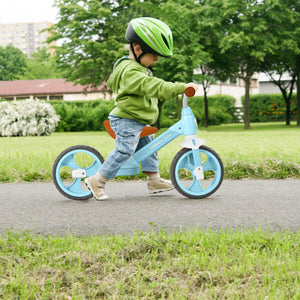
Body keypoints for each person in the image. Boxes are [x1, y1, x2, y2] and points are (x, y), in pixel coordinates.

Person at [85, 17, 198, 200]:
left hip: (137, 119)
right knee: (125, 150)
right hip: (126, 120)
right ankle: (97, 180)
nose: (155, 60)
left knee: (151, 147)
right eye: (153, 55)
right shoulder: (132, 72)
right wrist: (181, 87)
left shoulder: (135, 68)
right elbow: (154, 86)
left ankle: (154, 180)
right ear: (137, 49)